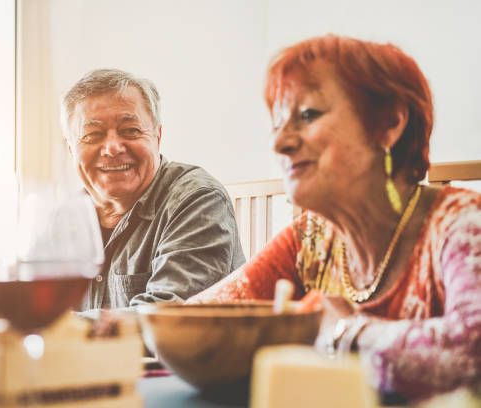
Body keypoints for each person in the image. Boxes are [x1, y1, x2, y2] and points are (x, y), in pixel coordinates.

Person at [188, 35, 481, 401]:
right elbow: (194, 317)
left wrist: (341, 331)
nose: (279, 143)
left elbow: (473, 353)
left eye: (308, 114)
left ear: (389, 123)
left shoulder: (463, 223)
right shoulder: (311, 237)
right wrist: (114, 326)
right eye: (277, 124)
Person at [61, 68, 245, 312]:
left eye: (131, 131)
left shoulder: (198, 199)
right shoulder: (61, 220)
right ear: (72, 149)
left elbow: (169, 315)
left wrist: (61, 329)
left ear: (157, 136)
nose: (113, 148)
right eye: (93, 135)